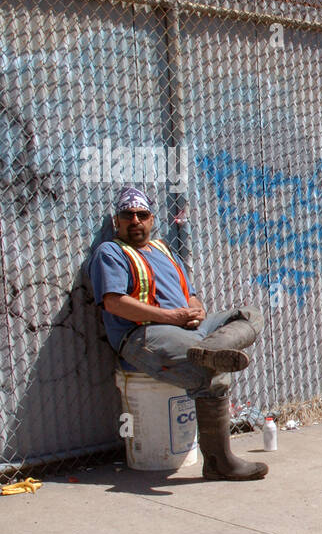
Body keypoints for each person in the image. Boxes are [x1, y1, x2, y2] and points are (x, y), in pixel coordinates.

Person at [89, 186, 268, 481]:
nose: (135, 220)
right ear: (116, 221)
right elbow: (114, 302)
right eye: (127, 215)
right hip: (144, 335)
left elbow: (192, 295)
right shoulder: (110, 252)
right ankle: (219, 463)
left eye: (142, 214)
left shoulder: (163, 249)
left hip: (190, 329)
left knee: (249, 314)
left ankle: (212, 348)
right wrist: (172, 317)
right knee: (212, 374)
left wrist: (196, 310)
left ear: (151, 219)